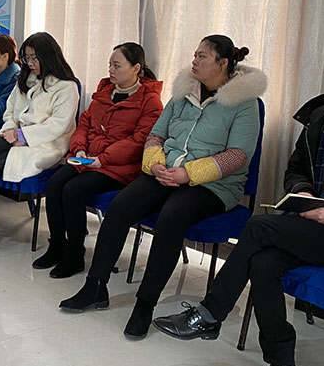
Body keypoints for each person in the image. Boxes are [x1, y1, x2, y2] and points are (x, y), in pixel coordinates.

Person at [154, 46, 324, 366]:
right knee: (263, 264)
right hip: (313, 227)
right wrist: (302, 191)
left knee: (260, 228)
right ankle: (281, 364)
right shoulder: (321, 120)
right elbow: (296, 169)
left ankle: (211, 313)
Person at [60, 35, 266, 340]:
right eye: (195, 54)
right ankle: (95, 286)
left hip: (214, 185)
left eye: (202, 56)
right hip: (167, 171)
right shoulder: (183, 93)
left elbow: (238, 155)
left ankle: (145, 304)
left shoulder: (244, 103)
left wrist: (188, 174)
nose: (194, 61)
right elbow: (156, 135)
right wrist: (155, 164)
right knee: (121, 205)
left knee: (172, 216)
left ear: (223, 63)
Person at [38, 43, 163, 278]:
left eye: (117, 65)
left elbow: (138, 142)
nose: (111, 70)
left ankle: (75, 252)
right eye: (110, 65)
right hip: (88, 159)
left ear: (136, 68)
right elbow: (84, 124)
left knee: (73, 190)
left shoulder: (150, 101)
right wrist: (79, 149)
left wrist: (102, 159)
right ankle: (57, 245)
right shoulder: (105, 92)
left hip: (119, 167)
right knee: (55, 183)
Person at [0, 32, 80, 242]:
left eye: (35, 58)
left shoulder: (66, 87)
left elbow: (57, 126)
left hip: (45, 144)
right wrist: (11, 132)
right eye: (27, 58)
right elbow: (10, 111)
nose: (30, 63)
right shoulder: (25, 80)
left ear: (49, 56)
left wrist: (22, 135)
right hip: (15, 137)